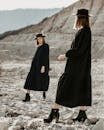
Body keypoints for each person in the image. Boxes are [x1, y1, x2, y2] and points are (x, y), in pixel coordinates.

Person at [44, 9, 92, 123]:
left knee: (63, 86)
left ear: (80, 19)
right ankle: (82, 114)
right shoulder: (85, 31)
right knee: (82, 87)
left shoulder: (84, 32)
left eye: (77, 18)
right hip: (82, 66)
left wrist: (65, 55)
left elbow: (79, 50)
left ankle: (54, 112)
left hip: (76, 67)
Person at [23, 33, 50, 102]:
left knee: (43, 79)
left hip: (42, 65)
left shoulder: (46, 46)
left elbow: (45, 57)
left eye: (40, 38)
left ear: (43, 38)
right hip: (35, 65)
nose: (39, 40)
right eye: (38, 39)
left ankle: (44, 93)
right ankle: (27, 96)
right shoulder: (38, 46)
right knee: (30, 79)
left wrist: (43, 66)